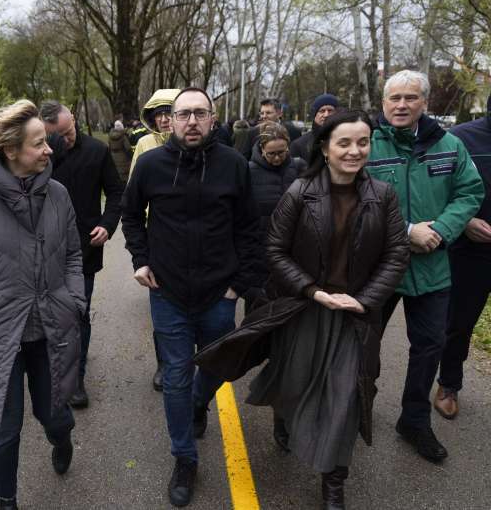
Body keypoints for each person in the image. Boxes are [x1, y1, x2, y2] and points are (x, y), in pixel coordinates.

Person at [196, 109, 409, 510]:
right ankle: (284, 415)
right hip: (304, 310)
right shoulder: (300, 192)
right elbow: (275, 250)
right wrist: (312, 290)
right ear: (325, 148)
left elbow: (396, 254)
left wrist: (364, 299)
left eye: (362, 142)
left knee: (346, 397)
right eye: (344, 142)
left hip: (354, 317)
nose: (355, 150)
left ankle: (334, 483)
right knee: (294, 382)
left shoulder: (383, 195)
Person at [121, 87, 260, 507]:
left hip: (220, 292)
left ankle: (200, 403)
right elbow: (131, 215)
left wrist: (238, 285)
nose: (192, 121)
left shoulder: (234, 165)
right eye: (184, 114)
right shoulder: (150, 165)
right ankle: (184, 458)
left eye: (200, 113)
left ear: (213, 119)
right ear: (171, 121)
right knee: (176, 378)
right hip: (168, 292)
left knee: (218, 366)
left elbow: (249, 227)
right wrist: (140, 260)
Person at [0, 100, 84, 510]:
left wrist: (74, 300)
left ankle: (62, 438)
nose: (48, 150)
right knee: (3, 426)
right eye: (39, 143)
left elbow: (73, 254)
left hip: (49, 325)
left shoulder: (57, 194)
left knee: (53, 412)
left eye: (46, 141)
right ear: (10, 150)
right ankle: (5, 499)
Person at [366, 70, 484, 463]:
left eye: (410, 97)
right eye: (394, 98)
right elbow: (354, 200)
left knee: (429, 346)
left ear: (425, 103)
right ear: (383, 103)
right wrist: (407, 230)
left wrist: (442, 230)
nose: (401, 105)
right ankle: (357, 405)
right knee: (364, 345)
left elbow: (469, 192)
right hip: (378, 266)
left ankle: (414, 420)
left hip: (432, 267)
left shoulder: (449, 145)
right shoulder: (367, 143)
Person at [39, 101, 124, 408]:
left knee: (77, 313)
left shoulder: (97, 151)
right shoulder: (39, 155)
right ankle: (48, 367)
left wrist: (107, 225)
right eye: (59, 135)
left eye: (70, 130)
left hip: (84, 247)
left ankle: (76, 378)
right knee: (47, 313)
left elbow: (116, 192)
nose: (68, 138)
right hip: (43, 249)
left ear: (73, 119)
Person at [434, 94, 491, 419]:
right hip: (471, 252)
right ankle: (448, 384)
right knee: (459, 323)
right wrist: (464, 221)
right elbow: (437, 189)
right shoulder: (460, 138)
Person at [126, 87, 181, 392]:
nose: (163, 119)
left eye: (168, 112)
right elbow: (134, 189)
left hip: (189, 235)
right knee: (162, 302)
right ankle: (164, 363)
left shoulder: (195, 143)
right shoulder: (145, 144)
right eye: (158, 114)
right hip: (155, 233)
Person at [247, 120, 307, 308]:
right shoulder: (248, 172)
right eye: (271, 154)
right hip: (259, 253)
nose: (277, 158)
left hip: (293, 251)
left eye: (282, 152)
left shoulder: (299, 167)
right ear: (261, 149)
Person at [238, 98, 302, 158]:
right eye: (262, 113)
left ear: (279, 114)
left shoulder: (293, 132)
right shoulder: (252, 133)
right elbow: (244, 157)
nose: (264, 116)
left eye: (268, 113)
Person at [290, 93, 339, 162]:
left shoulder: (346, 140)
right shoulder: (299, 145)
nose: (326, 115)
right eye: (322, 111)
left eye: (330, 110)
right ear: (315, 115)